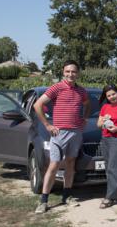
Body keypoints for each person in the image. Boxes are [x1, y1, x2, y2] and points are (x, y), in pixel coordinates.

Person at [33, 60, 90, 214]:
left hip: (75, 133)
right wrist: (47, 125)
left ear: (78, 73)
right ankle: (43, 201)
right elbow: (37, 105)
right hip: (59, 133)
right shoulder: (56, 88)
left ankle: (67, 196)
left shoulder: (81, 91)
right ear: (63, 72)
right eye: (67, 71)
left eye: (74, 71)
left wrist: (85, 118)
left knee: (70, 164)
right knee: (54, 165)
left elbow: (87, 104)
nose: (71, 74)